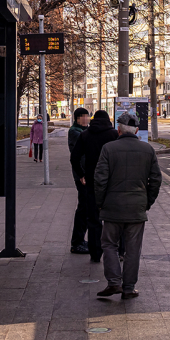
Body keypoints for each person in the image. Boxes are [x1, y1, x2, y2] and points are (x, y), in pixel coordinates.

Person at [93, 112, 162, 300]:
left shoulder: (108, 149)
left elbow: (100, 180)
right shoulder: (147, 150)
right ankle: (129, 288)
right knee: (132, 249)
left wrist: (100, 204)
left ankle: (114, 282)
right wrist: (147, 202)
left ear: (118, 130)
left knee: (109, 244)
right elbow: (155, 180)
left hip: (112, 207)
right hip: (136, 208)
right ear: (137, 130)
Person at [70, 110, 118, 263]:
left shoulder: (85, 135)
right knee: (113, 217)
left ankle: (95, 253)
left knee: (93, 218)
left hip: (91, 181)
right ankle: (115, 250)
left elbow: (74, 158)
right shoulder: (114, 135)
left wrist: (81, 174)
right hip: (111, 181)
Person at [68, 107, 91, 255]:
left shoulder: (85, 131)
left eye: (87, 116)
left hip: (87, 174)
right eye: (82, 116)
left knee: (86, 207)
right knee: (83, 208)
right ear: (77, 118)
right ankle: (77, 242)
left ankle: (81, 240)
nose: (86, 119)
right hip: (81, 175)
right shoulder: (75, 132)